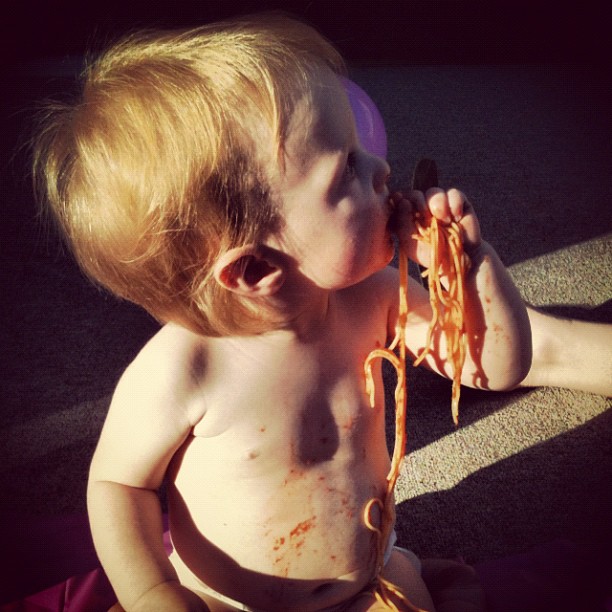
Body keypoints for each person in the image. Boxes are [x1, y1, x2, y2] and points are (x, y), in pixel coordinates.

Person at [31, 13, 608, 612]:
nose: (383, 169)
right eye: (348, 169)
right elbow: (117, 484)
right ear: (255, 269)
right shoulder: (184, 367)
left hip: (368, 583)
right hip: (223, 600)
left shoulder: (375, 298)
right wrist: (152, 591)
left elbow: (499, 365)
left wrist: (468, 269)